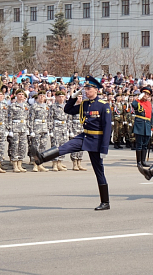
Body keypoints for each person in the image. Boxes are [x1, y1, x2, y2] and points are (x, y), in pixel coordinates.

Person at [31, 75, 112, 211]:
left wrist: (104, 149)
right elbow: (67, 110)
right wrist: (73, 97)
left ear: (96, 90)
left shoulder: (104, 105)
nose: (86, 91)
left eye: (89, 89)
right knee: (65, 147)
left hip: (96, 141)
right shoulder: (85, 104)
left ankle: (105, 202)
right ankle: (41, 158)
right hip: (85, 136)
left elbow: (107, 128)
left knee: (99, 171)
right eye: (85, 89)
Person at [7, 89, 30, 173]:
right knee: (14, 147)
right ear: (16, 96)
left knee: (22, 147)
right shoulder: (12, 106)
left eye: (22, 94)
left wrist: (28, 128)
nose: (21, 95)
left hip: (23, 128)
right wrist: (10, 129)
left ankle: (20, 164)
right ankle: (15, 165)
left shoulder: (26, 106)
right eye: (19, 94)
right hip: (15, 128)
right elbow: (9, 118)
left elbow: (28, 118)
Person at [28, 90, 50, 172]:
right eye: (40, 96)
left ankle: (40, 164)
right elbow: (31, 119)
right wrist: (31, 130)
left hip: (44, 127)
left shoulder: (47, 106)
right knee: (35, 147)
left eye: (43, 96)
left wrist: (49, 128)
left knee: (43, 146)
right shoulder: (34, 106)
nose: (42, 97)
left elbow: (49, 118)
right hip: (36, 128)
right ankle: (35, 164)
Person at [132, 87, 153, 168]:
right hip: (140, 125)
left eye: (147, 94)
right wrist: (138, 98)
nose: (146, 95)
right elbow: (133, 105)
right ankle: (139, 162)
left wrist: (151, 127)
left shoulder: (149, 103)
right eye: (144, 93)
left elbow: (151, 116)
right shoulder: (138, 102)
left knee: (145, 144)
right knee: (139, 144)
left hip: (147, 125)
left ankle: (143, 161)